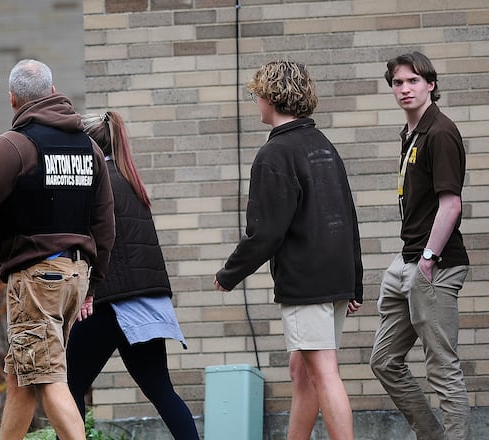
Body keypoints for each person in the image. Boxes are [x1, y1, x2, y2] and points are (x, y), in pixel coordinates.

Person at [0, 59, 115, 440]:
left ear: (13, 99)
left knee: (45, 376)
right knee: (22, 375)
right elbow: (105, 225)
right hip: (75, 276)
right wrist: (92, 285)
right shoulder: (89, 147)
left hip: (36, 278)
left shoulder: (15, 144)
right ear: (52, 91)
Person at [213, 60, 363, 440]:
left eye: (256, 95)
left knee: (324, 371)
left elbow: (265, 232)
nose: (256, 102)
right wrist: (355, 282)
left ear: (270, 97)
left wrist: (229, 274)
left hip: (306, 279)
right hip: (335, 276)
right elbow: (348, 217)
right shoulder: (323, 145)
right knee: (303, 370)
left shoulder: (275, 154)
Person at [64, 111, 200, 439]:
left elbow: (89, 244)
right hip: (146, 302)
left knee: (69, 387)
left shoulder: (94, 184)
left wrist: (85, 291)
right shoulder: (129, 179)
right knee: (162, 391)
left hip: (109, 299)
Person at [369, 52, 471, 440]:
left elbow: (451, 204)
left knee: (443, 368)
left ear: (430, 84)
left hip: (436, 264)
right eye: (398, 82)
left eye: (413, 81)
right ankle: (433, 435)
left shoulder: (440, 132)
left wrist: (428, 259)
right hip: (407, 260)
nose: (405, 88)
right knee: (383, 361)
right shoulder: (411, 133)